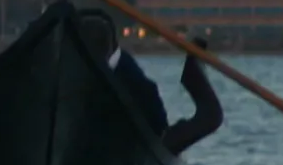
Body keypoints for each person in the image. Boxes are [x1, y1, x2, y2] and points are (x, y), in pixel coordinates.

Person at [82, 14, 225, 156]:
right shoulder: (77, 66)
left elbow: (156, 117)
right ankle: (192, 74)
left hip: (146, 139)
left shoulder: (131, 75)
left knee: (212, 116)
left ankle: (193, 74)